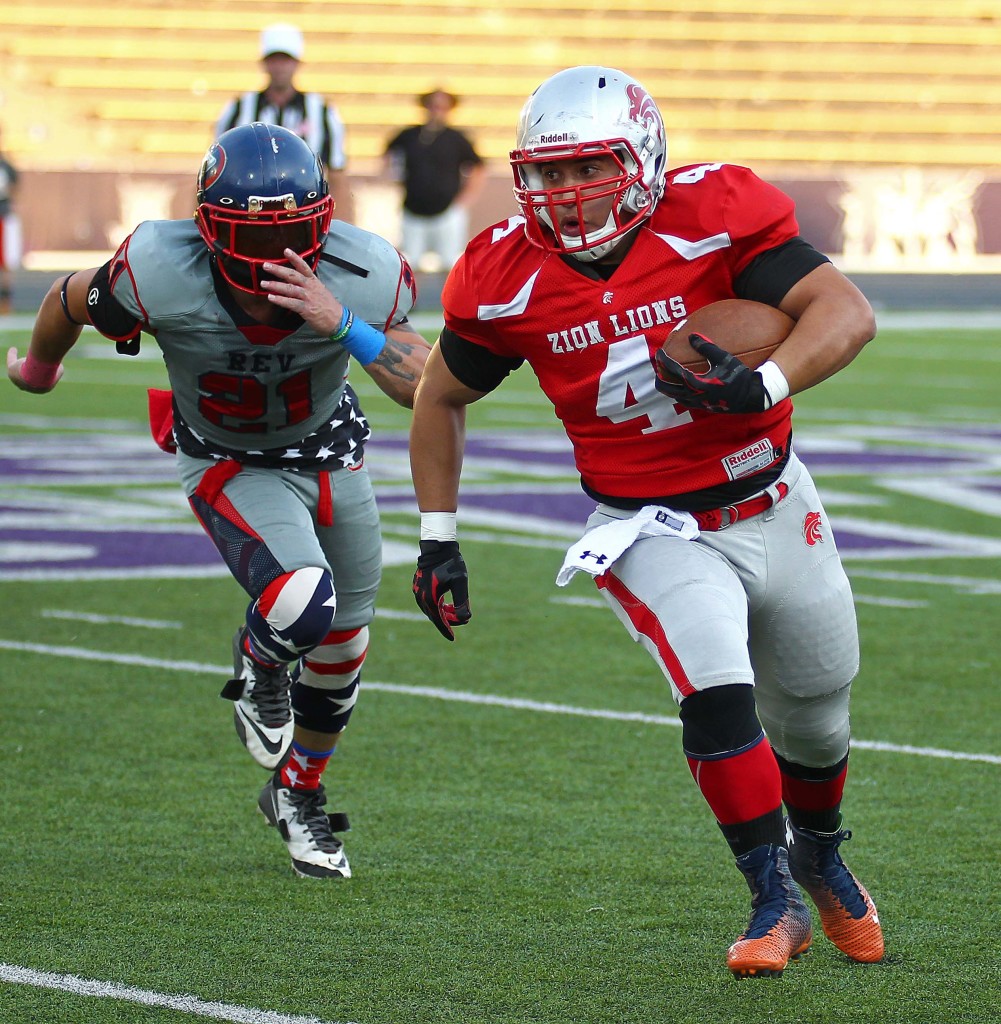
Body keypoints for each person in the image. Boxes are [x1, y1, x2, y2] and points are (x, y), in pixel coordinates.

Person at [408, 66, 884, 977]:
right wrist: (438, 537)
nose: (565, 193)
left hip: (774, 498)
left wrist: (763, 382)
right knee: (713, 686)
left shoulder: (715, 212)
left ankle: (816, 850)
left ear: (644, 157)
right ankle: (768, 897)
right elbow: (440, 395)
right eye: (544, 174)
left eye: (586, 167)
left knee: (818, 721)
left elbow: (844, 312)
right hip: (648, 524)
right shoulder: (502, 274)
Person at [8, 122, 430, 879]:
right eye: (247, 235)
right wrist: (38, 366)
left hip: (330, 448)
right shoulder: (159, 268)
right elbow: (69, 299)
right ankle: (261, 659)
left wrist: (341, 323)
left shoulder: (361, 273)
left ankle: (297, 791)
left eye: (291, 234)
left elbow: (428, 387)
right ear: (206, 228)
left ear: (323, 224)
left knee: (344, 645)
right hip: (229, 459)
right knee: (303, 604)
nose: (270, 258)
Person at [215, 23, 354, 223]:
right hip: (247, 214)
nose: (279, 67)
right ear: (264, 62)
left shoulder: (323, 112)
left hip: (308, 216)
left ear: (297, 63)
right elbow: (219, 170)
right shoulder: (237, 109)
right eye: (274, 59)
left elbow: (338, 175)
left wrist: (341, 228)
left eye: (285, 60)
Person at [383, 89, 486, 273]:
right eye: (433, 105)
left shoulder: (457, 138)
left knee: (451, 264)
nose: (437, 110)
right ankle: (410, 301)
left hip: (447, 209)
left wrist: (465, 199)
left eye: (442, 106)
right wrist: (394, 180)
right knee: (409, 264)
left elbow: (478, 167)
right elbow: (389, 155)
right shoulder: (409, 135)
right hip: (412, 208)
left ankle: (451, 302)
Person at [0, 126, 21, 314]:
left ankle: (5, 302)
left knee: (6, 261)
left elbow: (14, 189)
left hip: (3, 217)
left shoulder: (7, 166)